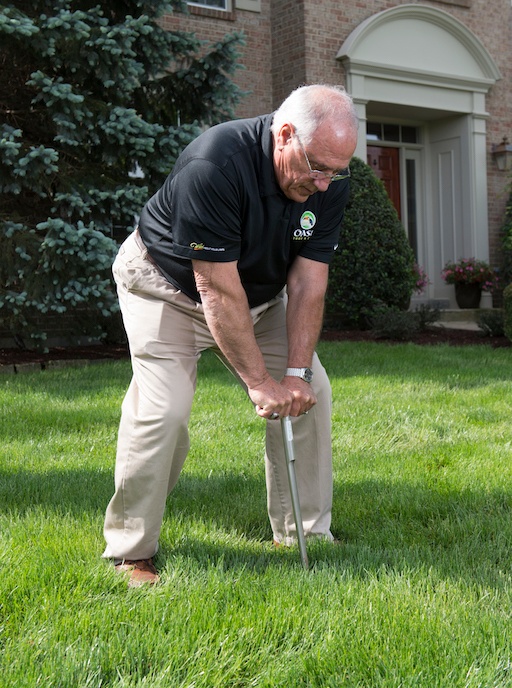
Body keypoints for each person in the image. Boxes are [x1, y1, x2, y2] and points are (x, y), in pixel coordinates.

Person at [103, 84, 359, 586]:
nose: (326, 183)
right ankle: (131, 550)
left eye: (337, 170)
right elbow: (216, 288)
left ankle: (303, 532)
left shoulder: (329, 179)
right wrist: (261, 382)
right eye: (317, 167)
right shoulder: (215, 163)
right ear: (284, 135)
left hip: (259, 297)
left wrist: (295, 373)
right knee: (165, 409)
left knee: (314, 394)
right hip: (166, 287)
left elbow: (308, 283)